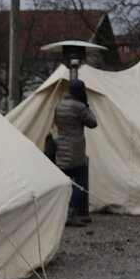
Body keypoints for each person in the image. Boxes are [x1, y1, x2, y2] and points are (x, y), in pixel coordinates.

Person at [54, 78, 97, 226]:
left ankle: (59, 212)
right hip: (76, 150)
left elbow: (56, 123)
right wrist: (87, 106)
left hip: (61, 148)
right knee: (80, 183)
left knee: (64, 183)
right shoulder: (80, 107)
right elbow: (93, 123)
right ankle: (71, 213)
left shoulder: (59, 105)